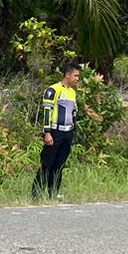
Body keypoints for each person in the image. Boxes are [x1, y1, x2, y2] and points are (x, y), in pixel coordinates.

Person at [32, 62, 100, 202]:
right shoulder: (53, 90)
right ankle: (37, 194)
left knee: (59, 165)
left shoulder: (72, 93)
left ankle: (54, 193)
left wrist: (72, 131)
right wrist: (47, 132)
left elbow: (73, 112)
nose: (77, 79)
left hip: (67, 133)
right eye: (75, 76)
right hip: (54, 132)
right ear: (67, 75)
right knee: (47, 164)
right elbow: (47, 111)